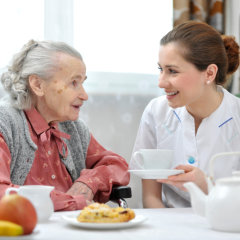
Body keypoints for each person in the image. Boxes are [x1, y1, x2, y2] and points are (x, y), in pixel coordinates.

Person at [0, 39, 130, 211]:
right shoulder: (5, 123)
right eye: (73, 83)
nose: (84, 95)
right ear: (38, 85)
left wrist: (89, 182)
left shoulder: (73, 128)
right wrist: (75, 202)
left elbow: (118, 166)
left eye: (83, 82)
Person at [130, 21, 240, 208]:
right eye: (160, 69)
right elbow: (151, 198)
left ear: (209, 73)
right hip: (167, 227)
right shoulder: (156, 112)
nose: (161, 82)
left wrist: (207, 186)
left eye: (172, 71)